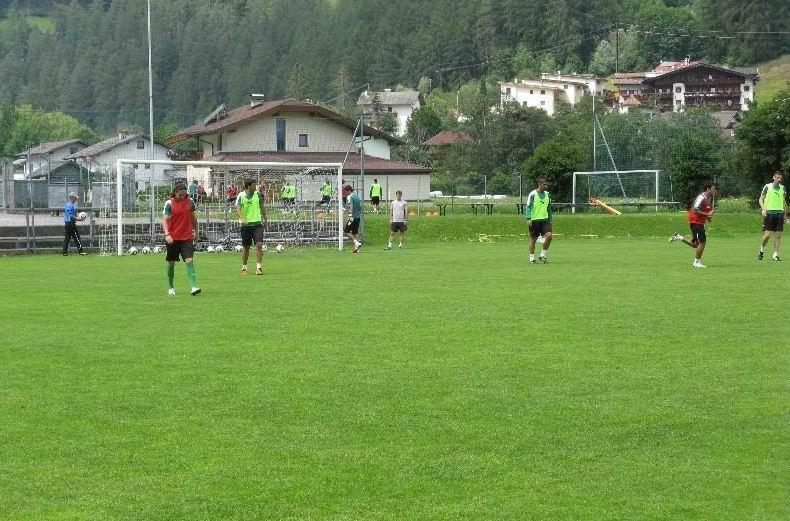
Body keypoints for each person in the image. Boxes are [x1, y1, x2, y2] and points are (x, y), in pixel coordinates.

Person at [162, 183, 201, 296]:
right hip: (172, 238)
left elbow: (194, 219)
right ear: (175, 193)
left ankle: (193, 287)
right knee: (171, 263)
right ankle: (171, 287)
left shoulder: (190, 202)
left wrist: (196, 232)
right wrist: (167, 234)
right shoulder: (169, 203)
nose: (182, 197)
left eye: (184, 195)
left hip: (186, 237)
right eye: (180, 195)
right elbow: (164, 220)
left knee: (189, 260)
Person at [669, 181, 716, 268]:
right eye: (713, 188)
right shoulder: (701, 197)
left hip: (700, 223)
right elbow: (695, 209)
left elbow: (708, 210)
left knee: (696, 245)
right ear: (708, 189)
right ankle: (696, 262)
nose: (715, 190)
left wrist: (709, 217)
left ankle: (679, 237)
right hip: (695, 222)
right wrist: (707, 215)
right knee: (702, 242)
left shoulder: (711, 198)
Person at [237, 178, 268, 275]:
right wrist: (242, 218)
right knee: (246, 248)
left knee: (259, 245)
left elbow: (262, 207)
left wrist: (265, 219)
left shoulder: (258, 195)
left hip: (257, 225)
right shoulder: (241, 195)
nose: (256, 187)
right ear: (248, 186)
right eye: (254, 185)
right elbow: (238, 209)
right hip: (246, 226)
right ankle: (244, 267)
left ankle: (259, 267)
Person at [757, 171, 785, 261]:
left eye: (780, 178)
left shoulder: (782, 188)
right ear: (773, 177)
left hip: (779, 214)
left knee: (778, 235)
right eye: (777, 177)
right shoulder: (767, 187)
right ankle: (762, 249)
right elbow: (760, 199)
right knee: (767, 235)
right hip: (769, 214)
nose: (779, 179)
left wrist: (785, 214)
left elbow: (783, 201)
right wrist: (763, 209)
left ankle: (775, 254)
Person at [525, 178, 553, 264]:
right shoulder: (533, 194)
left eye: (547, 184)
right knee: (533, 239)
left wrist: (550, 219)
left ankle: (542, 255)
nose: (546, 186)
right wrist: (528, 218)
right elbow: (528, 206)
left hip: (545, 220)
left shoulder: (548, 194)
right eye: (544, 184)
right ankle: (532, 258)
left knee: (549, 236)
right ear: (539, 184)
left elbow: (549, 207)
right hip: (534, 220)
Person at [62, 191, 86, 256]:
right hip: (70, 224)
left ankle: (64, 252)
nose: (76, 199)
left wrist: (79, 215)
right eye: (75, 198)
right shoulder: (70, 205)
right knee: (77, 238)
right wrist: (78, 219)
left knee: (67, 238)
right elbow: (70, 216)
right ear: (72, 197)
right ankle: (81, 252)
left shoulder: (70, 205)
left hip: (67, 224)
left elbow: (73, 214)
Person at [344, 184, 363, 253]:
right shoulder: (357, 196)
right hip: (358, 217)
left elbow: (351, 207)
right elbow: (360, 206)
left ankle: (356, 242)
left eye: (346, 192)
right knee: (355, 232)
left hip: (352, 217)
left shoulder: (350, 197)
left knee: (346, 231)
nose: (346, 193)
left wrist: (349, 214)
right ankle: (357, 248)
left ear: (349, 190)